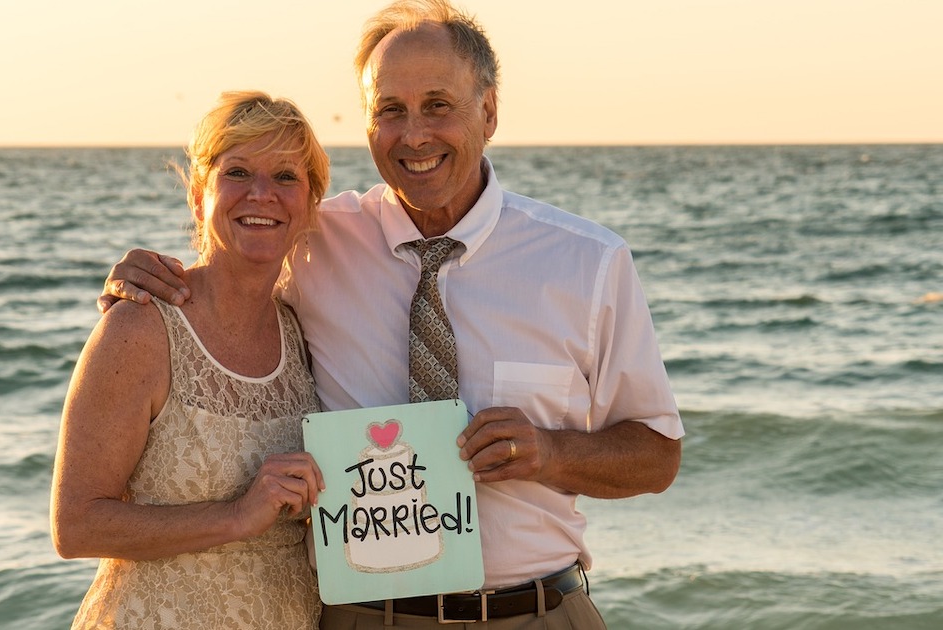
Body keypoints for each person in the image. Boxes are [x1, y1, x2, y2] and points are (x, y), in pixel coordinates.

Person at [99, 1, 684, 627]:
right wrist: (142, 285)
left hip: (537, 612)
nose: (414, 135)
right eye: (390, 110)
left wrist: (551, 450)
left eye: (438, 105)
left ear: (489, 111)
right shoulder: (315, 241)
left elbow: (657, 455)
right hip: (362, 614)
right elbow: (231, 266)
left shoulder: (587, 262)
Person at [50, 91, 332, 629]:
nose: (262, 194)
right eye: (238, 172)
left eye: (285, 176)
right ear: (199, 196)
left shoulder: (304, 330)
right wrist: (236, 516)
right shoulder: (141, 326)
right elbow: (75, 526)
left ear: (311, 206)